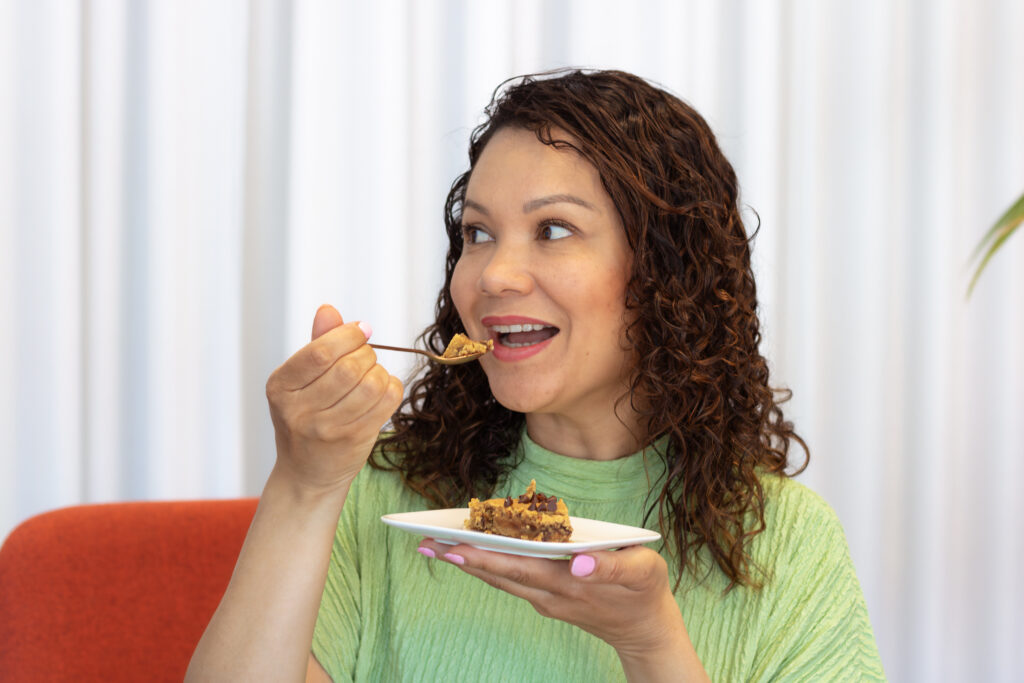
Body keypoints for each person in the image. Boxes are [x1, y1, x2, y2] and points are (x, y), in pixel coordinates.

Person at [187, 69, 886, 681]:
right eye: (477, 233)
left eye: (553, 229)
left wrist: (650, 643)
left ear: (665, 272)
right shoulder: (387, 492)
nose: (492, 275)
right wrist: (303, 485)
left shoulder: (787, 540)